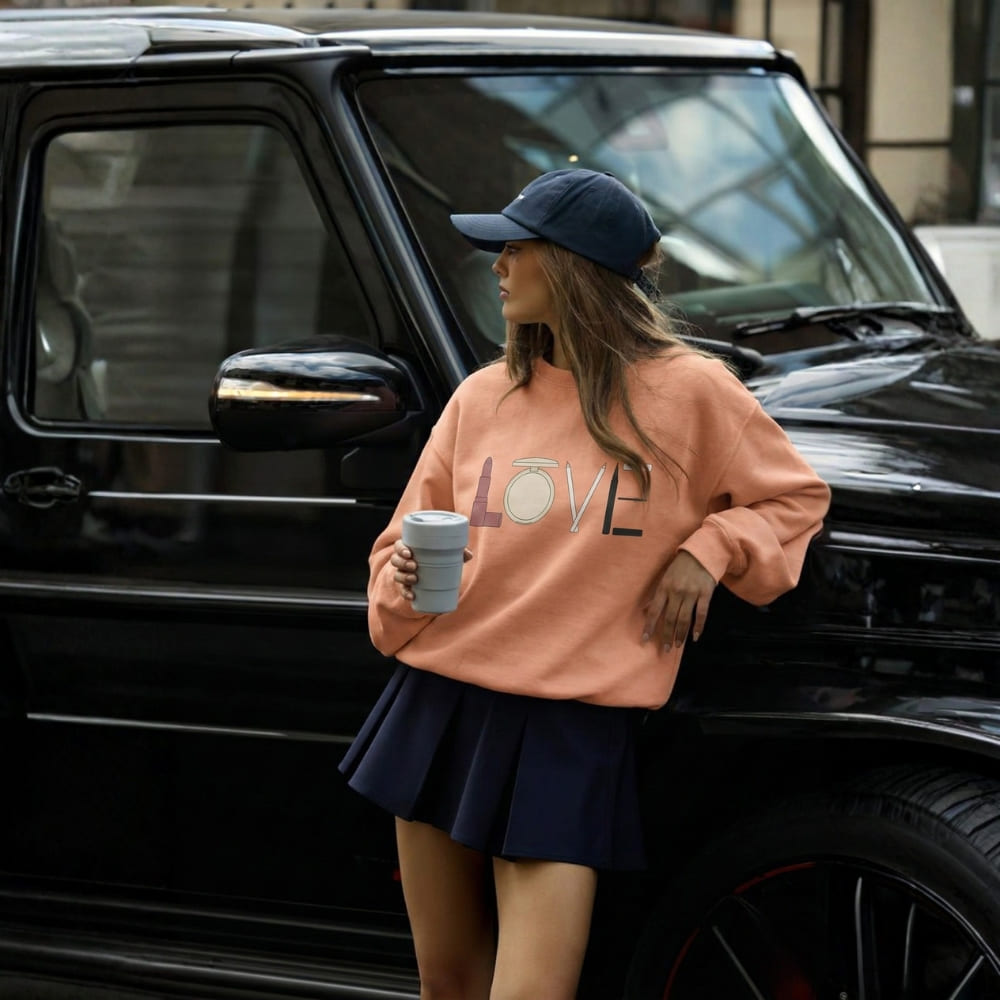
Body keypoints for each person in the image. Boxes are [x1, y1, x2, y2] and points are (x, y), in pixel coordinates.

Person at [339, 168, 831, 1000]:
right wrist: (402, 579)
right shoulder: (483, 397)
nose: (497, 265)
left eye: (516, 248)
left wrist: (710, 547)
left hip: (571, 727)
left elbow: (794, 499)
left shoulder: (693, 392)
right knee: (447, 985)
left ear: (571, 266)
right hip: (438, 707)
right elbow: (396, 548)